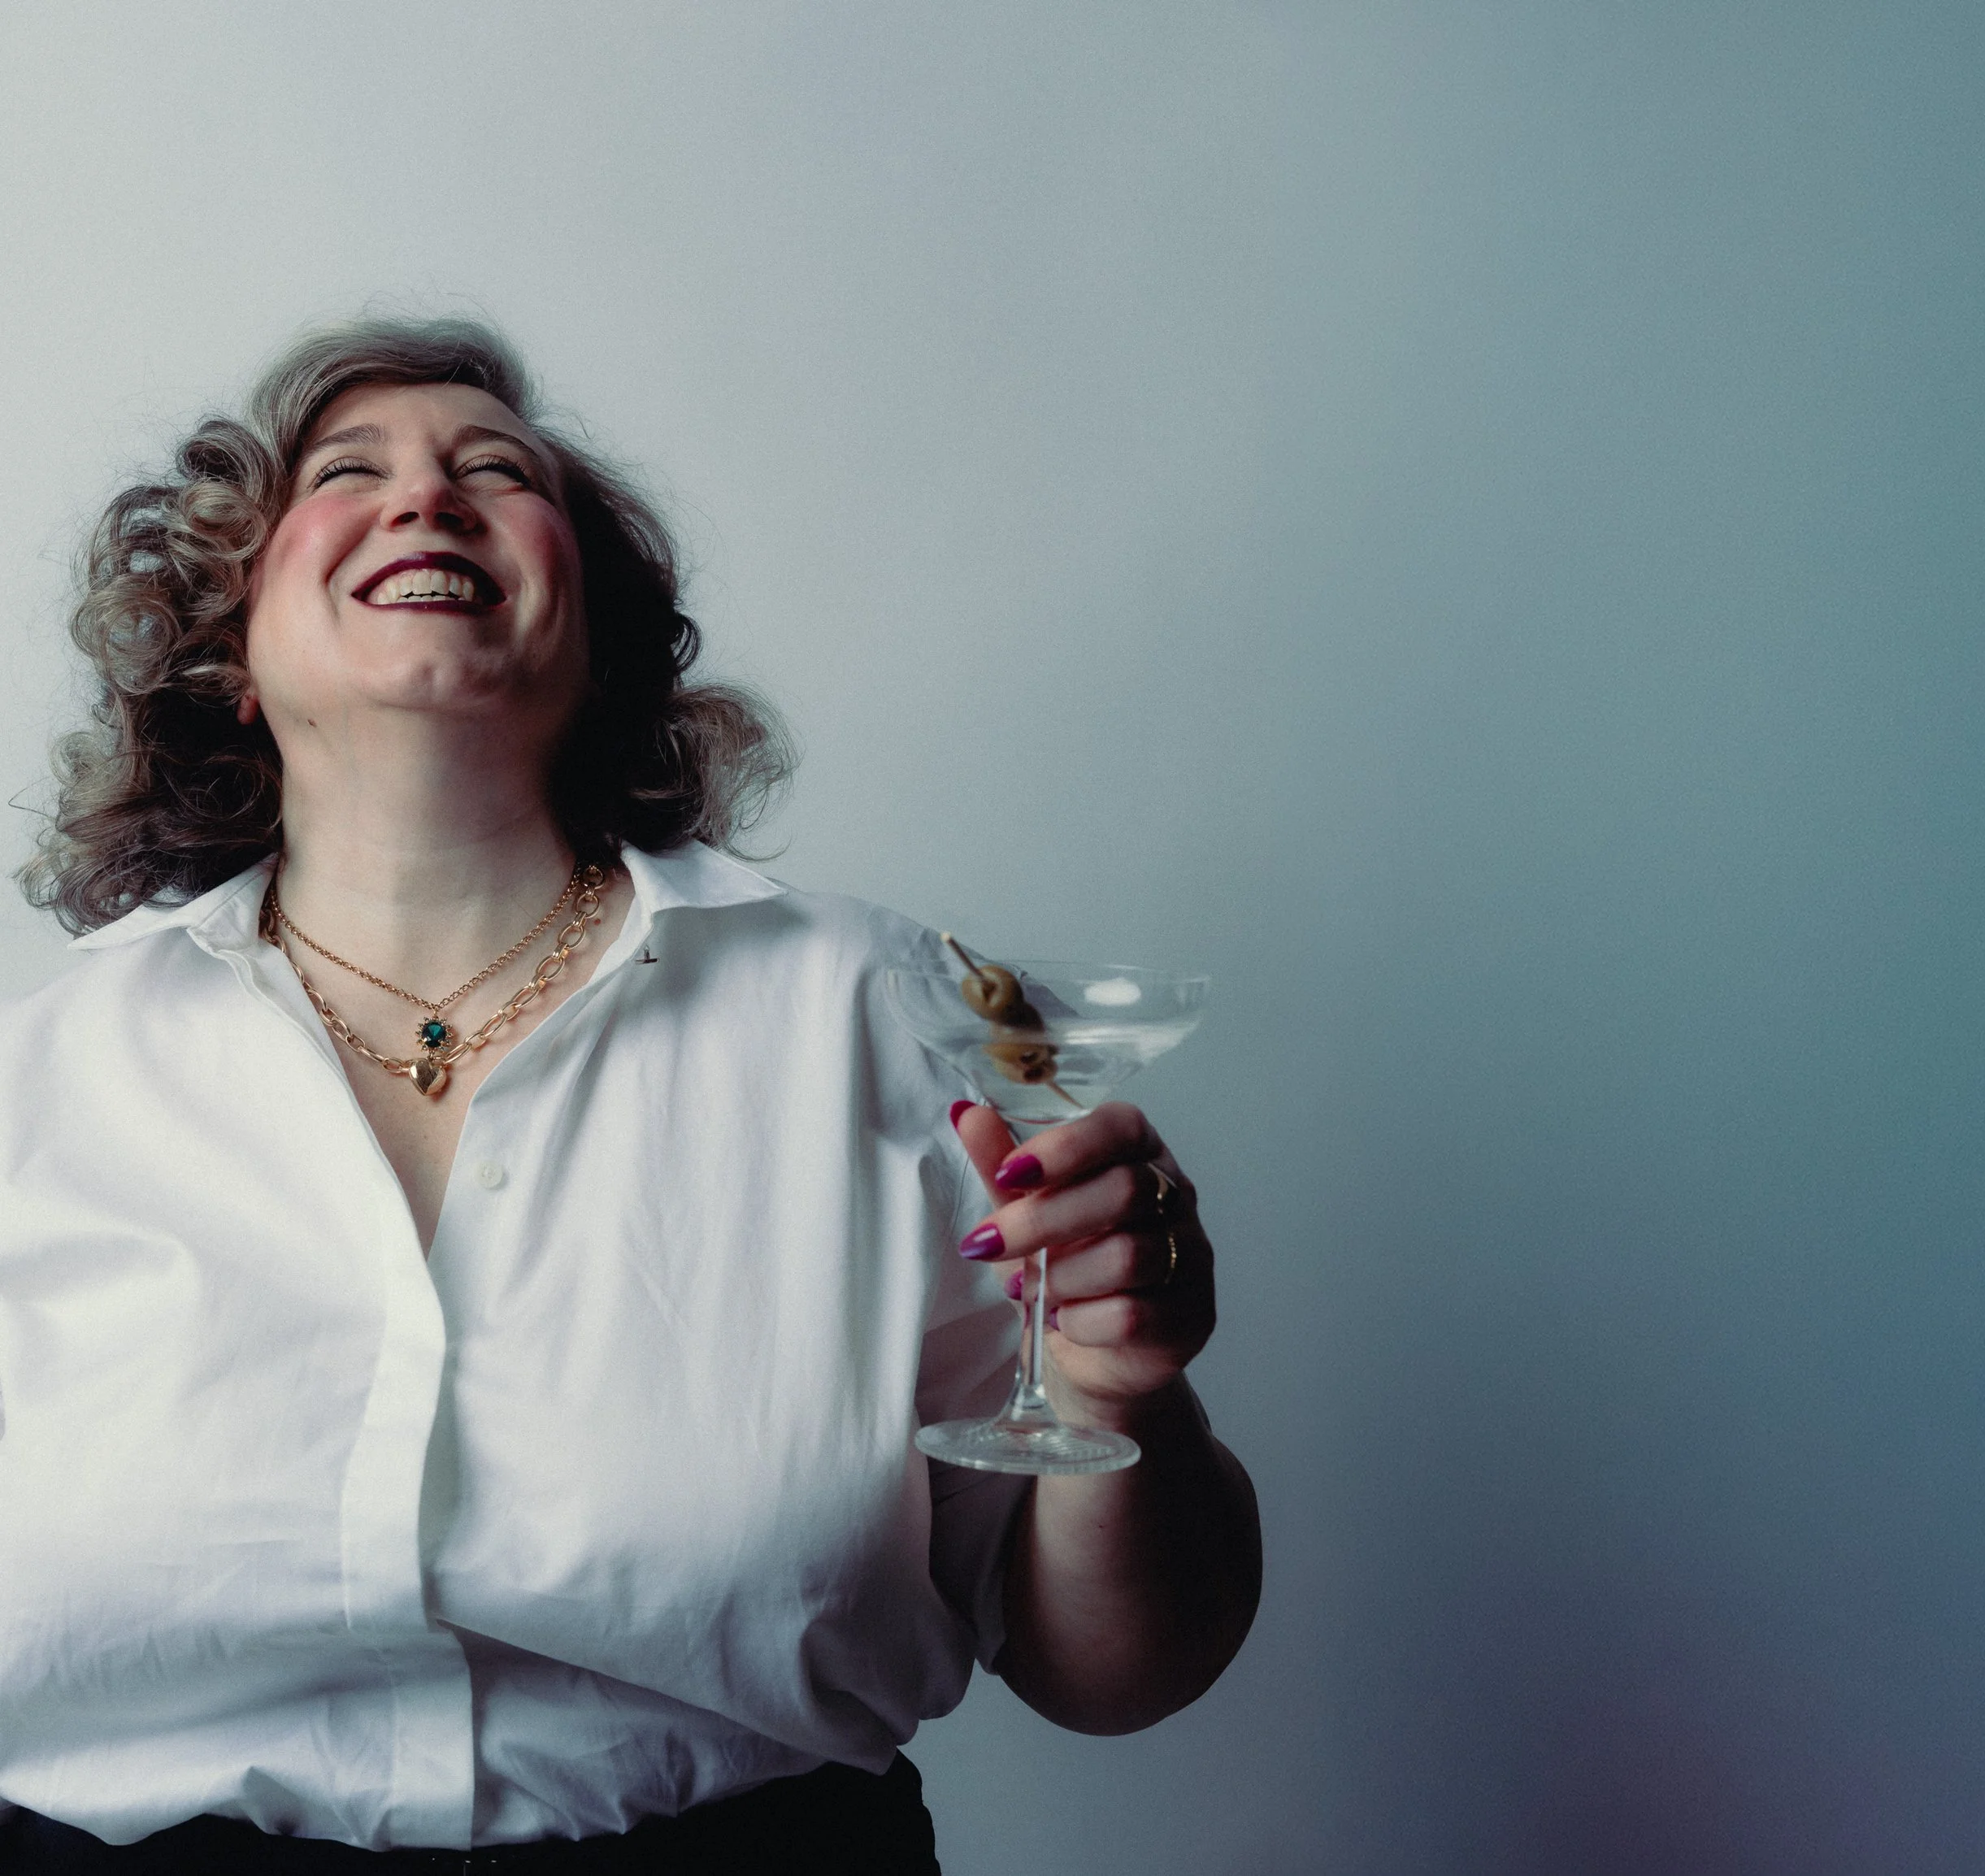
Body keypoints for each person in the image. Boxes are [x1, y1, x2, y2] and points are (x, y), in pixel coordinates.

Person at [0, 318, 1261, 1871]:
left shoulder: (896, 1020)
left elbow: (1120, 1671)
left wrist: (1123, 1394)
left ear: (594, 637)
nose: (425, 499)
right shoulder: (35, 1087)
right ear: (226, 660)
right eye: (349, 472)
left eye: (494, 473)